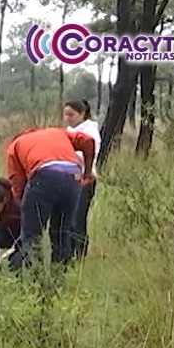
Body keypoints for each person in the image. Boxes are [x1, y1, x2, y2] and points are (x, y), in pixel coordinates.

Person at [4, 127, 96, 270]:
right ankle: (59, 276)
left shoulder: (15, 146)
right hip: (73, 176)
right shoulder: (58, 132)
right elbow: (88, 141)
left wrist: (26, 208)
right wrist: (88, 173)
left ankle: (35, 279)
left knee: (32, 235)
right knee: (61, 233)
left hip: (44, 175)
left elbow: (18, 183)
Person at [63, 99, 101, 258]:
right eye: (65, 114)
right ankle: (69, 253)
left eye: (71, 114)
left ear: (82, 114)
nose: (67, 118)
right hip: (68, 180)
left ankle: (79, 255)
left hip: (85, 180)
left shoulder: (90, 131)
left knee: (77, 220)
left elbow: (88, 154)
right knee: (68, 219)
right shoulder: (68, 131)